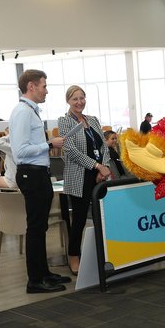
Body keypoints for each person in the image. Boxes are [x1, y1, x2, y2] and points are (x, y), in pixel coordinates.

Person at [9, 69, 71, 293]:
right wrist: (50, 144)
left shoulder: (30, 111)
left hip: (38, 173)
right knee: (35, 228)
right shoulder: (23, 113)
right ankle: (34, 280)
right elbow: (20, 152)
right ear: (31, 87)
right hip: (31, 173)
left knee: (40, 227)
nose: (47, 90)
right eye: (44, 86)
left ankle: (43, 273)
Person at [58, 85, 112, 275]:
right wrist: (96, 166)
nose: (79, 102)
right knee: (80, 219)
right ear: (68, 101)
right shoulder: (65, 121)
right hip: (80, 175)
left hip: (99, 175)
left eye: (82, 98)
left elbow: (104, 147)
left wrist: (103, 167)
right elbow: (71, 151)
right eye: (75, 99)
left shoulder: (93, 120)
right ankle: (74, 256)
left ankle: (103, 254)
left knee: (103, 218)